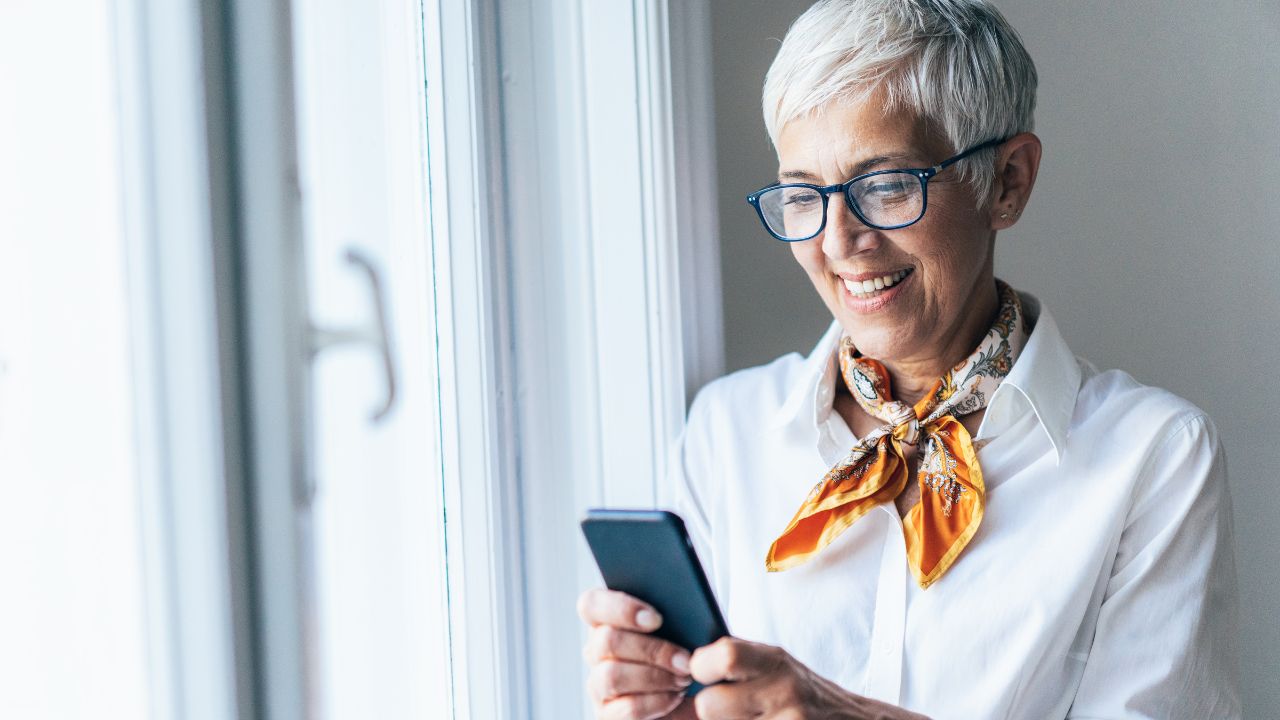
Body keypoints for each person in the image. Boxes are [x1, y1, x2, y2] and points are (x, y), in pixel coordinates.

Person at [576, 0, 1240, 717]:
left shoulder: (1157, 459)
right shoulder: (725, 434)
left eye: (886, 185)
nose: (837, 242)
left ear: (1007, 181)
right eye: (803, 195)